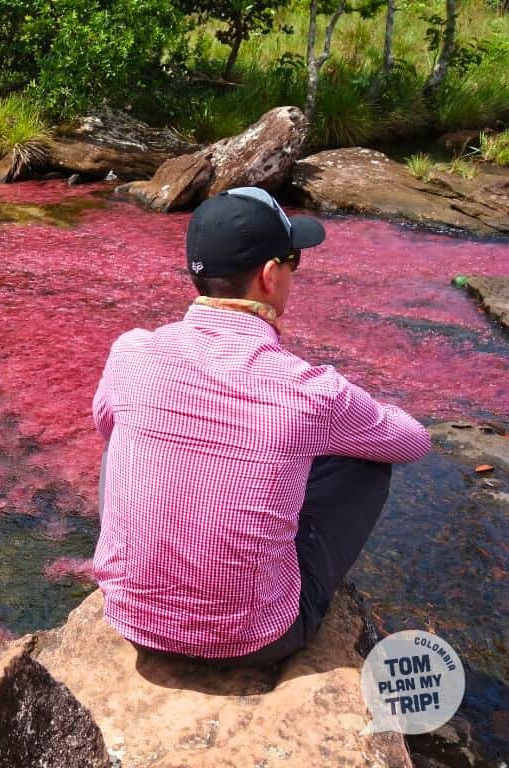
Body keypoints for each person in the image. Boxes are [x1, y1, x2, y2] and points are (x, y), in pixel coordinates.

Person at [91, 187, 432, 668]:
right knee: (368, 463)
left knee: (119, 432)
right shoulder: (309, 389)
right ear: (270, 276)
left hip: (135, 623)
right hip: (255, 638)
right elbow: (412, 441)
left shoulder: (131, 352)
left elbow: (106, 431)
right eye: (294, 262)